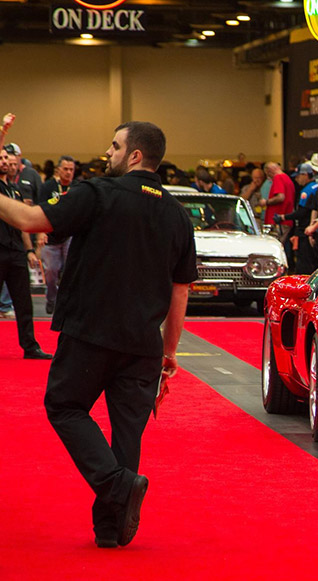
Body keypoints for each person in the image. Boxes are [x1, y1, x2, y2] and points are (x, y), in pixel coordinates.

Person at [0, 120, 197, 545]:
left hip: (91, 333)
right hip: (143, 344)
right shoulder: (178, 215)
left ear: (135, 155)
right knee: (127, 434)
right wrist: (169, 353)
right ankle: (110, 529)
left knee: (64, 406)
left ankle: (116, 485)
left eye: (115, 146)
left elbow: (30, 219)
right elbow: (180, 291)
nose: (108, 153)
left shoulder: (99, 193)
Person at [0, 143, 50, 358]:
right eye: (1, 158)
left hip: (16, 252)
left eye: (7, 159)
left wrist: (29, 250)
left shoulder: (15, 190)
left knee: (24, 302)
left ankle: (30, 346)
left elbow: (22, 225)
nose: (5, 163)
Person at [35, 155, 76, 314]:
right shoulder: (48, 187)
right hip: (50, 237)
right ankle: (52, 299)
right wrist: (40, 232)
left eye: (71, 169)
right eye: (65, 169)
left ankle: (67, 303)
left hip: (70, 236)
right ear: (58, 170)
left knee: (71, 271)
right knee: (51, 272)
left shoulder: (77, 187)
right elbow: (40, 209)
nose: (68, 172)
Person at [275, 162, 318, 274]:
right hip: (316, 230)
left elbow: (301, 213)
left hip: (305, 231)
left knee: (304, 264)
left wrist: (283, 217)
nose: (296, 179)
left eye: (298, 176)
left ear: (305, 175)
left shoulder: (307, 190)